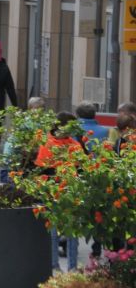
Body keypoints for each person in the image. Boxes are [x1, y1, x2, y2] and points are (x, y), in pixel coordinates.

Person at [36, 112, 84, 271]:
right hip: (61, 191)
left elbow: (43, 170)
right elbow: (81, 169)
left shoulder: (69, 144)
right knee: (64, 231)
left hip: (60, 191)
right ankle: (67, 266)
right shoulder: (62, 145)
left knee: (61, 231)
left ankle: (60, 266)